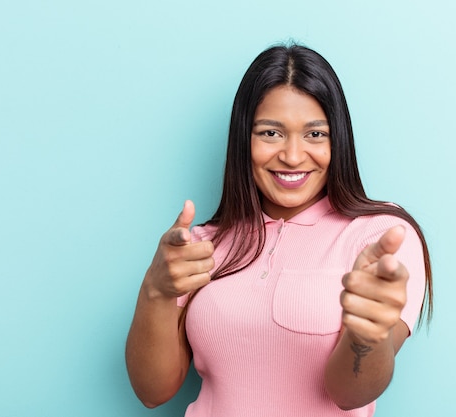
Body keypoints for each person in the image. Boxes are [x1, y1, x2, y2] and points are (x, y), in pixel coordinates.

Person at [125, 44, 433, 417]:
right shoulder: (201, 246)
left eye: (315, 135)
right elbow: (152, 391)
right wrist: (154, 289)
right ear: (244, 140)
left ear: (339, 140)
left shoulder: (379, 238)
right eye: (271, 133)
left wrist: (368, 335)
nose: (291, 155)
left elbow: (349, 394)